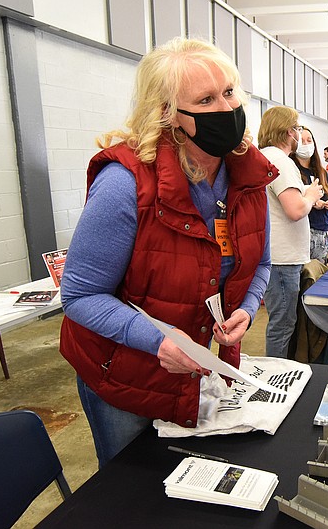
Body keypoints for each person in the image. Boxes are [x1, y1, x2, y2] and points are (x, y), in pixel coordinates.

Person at [59, 38, 278, 467]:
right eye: (205, 99)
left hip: (194, 369)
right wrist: (156, 340)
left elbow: (261, 263)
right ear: (168, 114)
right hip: (124, 372)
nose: (226, 108)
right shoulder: (125, 184)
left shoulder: (246, 177)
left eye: (230, 92)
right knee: (131, 490)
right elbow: (80, 296)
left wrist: (247, 310)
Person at [259, 107, 323, 358]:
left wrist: (306, 196)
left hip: (275, 254)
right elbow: (295, 210)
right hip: (283, 259)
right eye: (298, 129)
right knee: (283, 324)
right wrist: (309, 196)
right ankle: (277, 375)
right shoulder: (281, 162)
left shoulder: (264, 157)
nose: (300, 135)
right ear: (289, 132)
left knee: (281, 322)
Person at [291, 127, 328, 263]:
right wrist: (310, 201)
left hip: (321, 232)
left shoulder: (322, 172)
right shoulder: (291, 171)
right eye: (302, 141)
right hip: (300, 232)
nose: (305, 144)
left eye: (309, 140)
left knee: (318, 274)